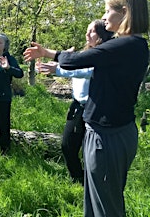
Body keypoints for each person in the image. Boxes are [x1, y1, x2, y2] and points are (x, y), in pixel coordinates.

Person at [23, 0, 149, 217]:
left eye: (107, 10)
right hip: (109, 132)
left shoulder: (124, 45)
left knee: (106, 206)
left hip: (107, 137)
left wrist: (48, 53)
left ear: (124, 12)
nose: (103, 16)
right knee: (96, 199)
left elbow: (78, 60)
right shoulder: (133, 46)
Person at [36, 20, 113, 185]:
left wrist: (57, 69)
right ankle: (78, 178)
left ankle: (90, 181)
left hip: (94, 108)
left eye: (91, 31)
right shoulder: (85, 54)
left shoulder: (102, 56)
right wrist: (57, 65)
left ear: (101, 35)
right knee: (68, 145)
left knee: (90, 150)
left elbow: (85, 71)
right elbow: (73, 66)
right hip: (77, 106)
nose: (87, 35)